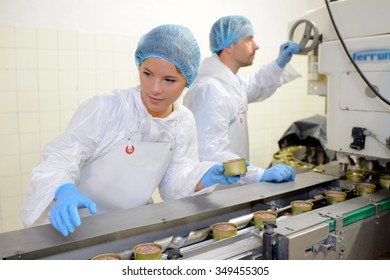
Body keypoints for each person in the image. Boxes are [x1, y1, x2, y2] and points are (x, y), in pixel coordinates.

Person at [20, 24, 244, 237]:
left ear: (188, 80)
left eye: (169, 80)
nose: (154, 89)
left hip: (127, 226)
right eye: (147, 74)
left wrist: (203, 178)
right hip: (75, 222)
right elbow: (59, 158)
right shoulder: (107, 108)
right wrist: (63, 190)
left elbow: (174, 186)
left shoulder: (183, 120)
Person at [183, 15, 300, 184]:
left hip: (231, 188)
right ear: (229, 46)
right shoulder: (210, 90)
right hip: (214, 194)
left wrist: (279, 64)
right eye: (249, 39)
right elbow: (211, 153)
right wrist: (258, 174)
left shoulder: (230, 83)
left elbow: (257, 84)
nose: (256, 46)